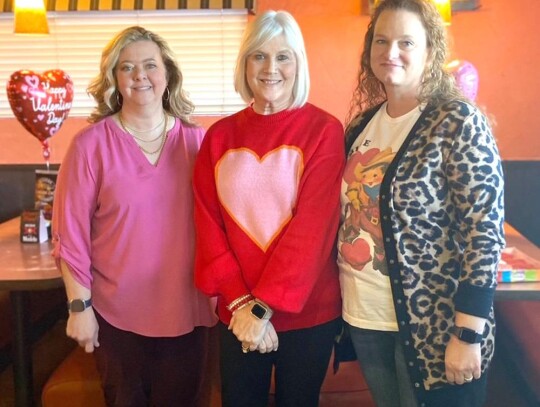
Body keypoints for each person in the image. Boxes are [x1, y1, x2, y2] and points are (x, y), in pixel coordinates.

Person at [337, 1, 505, 406]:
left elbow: (485, 233)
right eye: (381, 40)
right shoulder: (362, 126)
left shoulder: (457, 121)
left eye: (405, 42)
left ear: (430, 51)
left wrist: (468, 333)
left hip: (434, 328)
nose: (390, 51)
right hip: (365, 316)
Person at [52, 26, 217, 406]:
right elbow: (70, 235)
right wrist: (79, 307)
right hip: (116, 317)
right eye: (127, 67)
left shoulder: (199, 142)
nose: (140, 75)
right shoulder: (90, 145)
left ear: (168, 74)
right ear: (114, 79)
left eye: (149, 65)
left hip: (190, 312)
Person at [193, 10, 345, 407]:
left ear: (298, 63)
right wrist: (243, 305)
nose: (270, 68)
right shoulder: (218, 137)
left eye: (283, 56)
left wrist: (263, 307)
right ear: (244, 63)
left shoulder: (325, 130)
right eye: (259, 56)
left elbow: (313, 231)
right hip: (238, 313)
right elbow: (209, 227)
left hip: (308, 314)